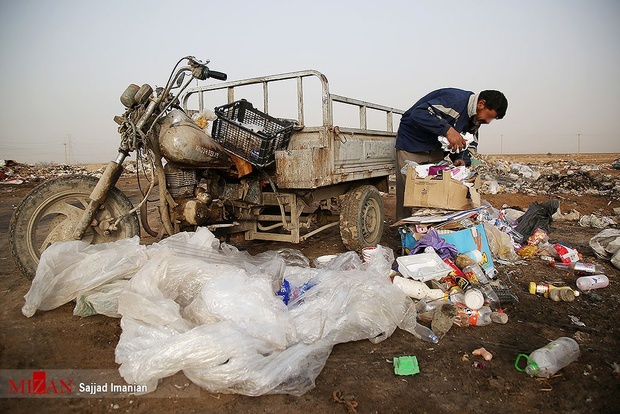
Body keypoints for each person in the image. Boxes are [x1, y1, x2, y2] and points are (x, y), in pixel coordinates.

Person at [395, 88, 507, 219]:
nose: (488, 122)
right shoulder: (455, 100)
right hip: (412, 144)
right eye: (489, 116)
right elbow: (418, 113)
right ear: (481, 103)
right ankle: (403, 232)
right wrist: (448, 130)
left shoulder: (475, 118)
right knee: (408, 191)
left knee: (434, 190)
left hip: (434, 149)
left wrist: (460, 158)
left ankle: (427, 230)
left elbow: (466, 141)